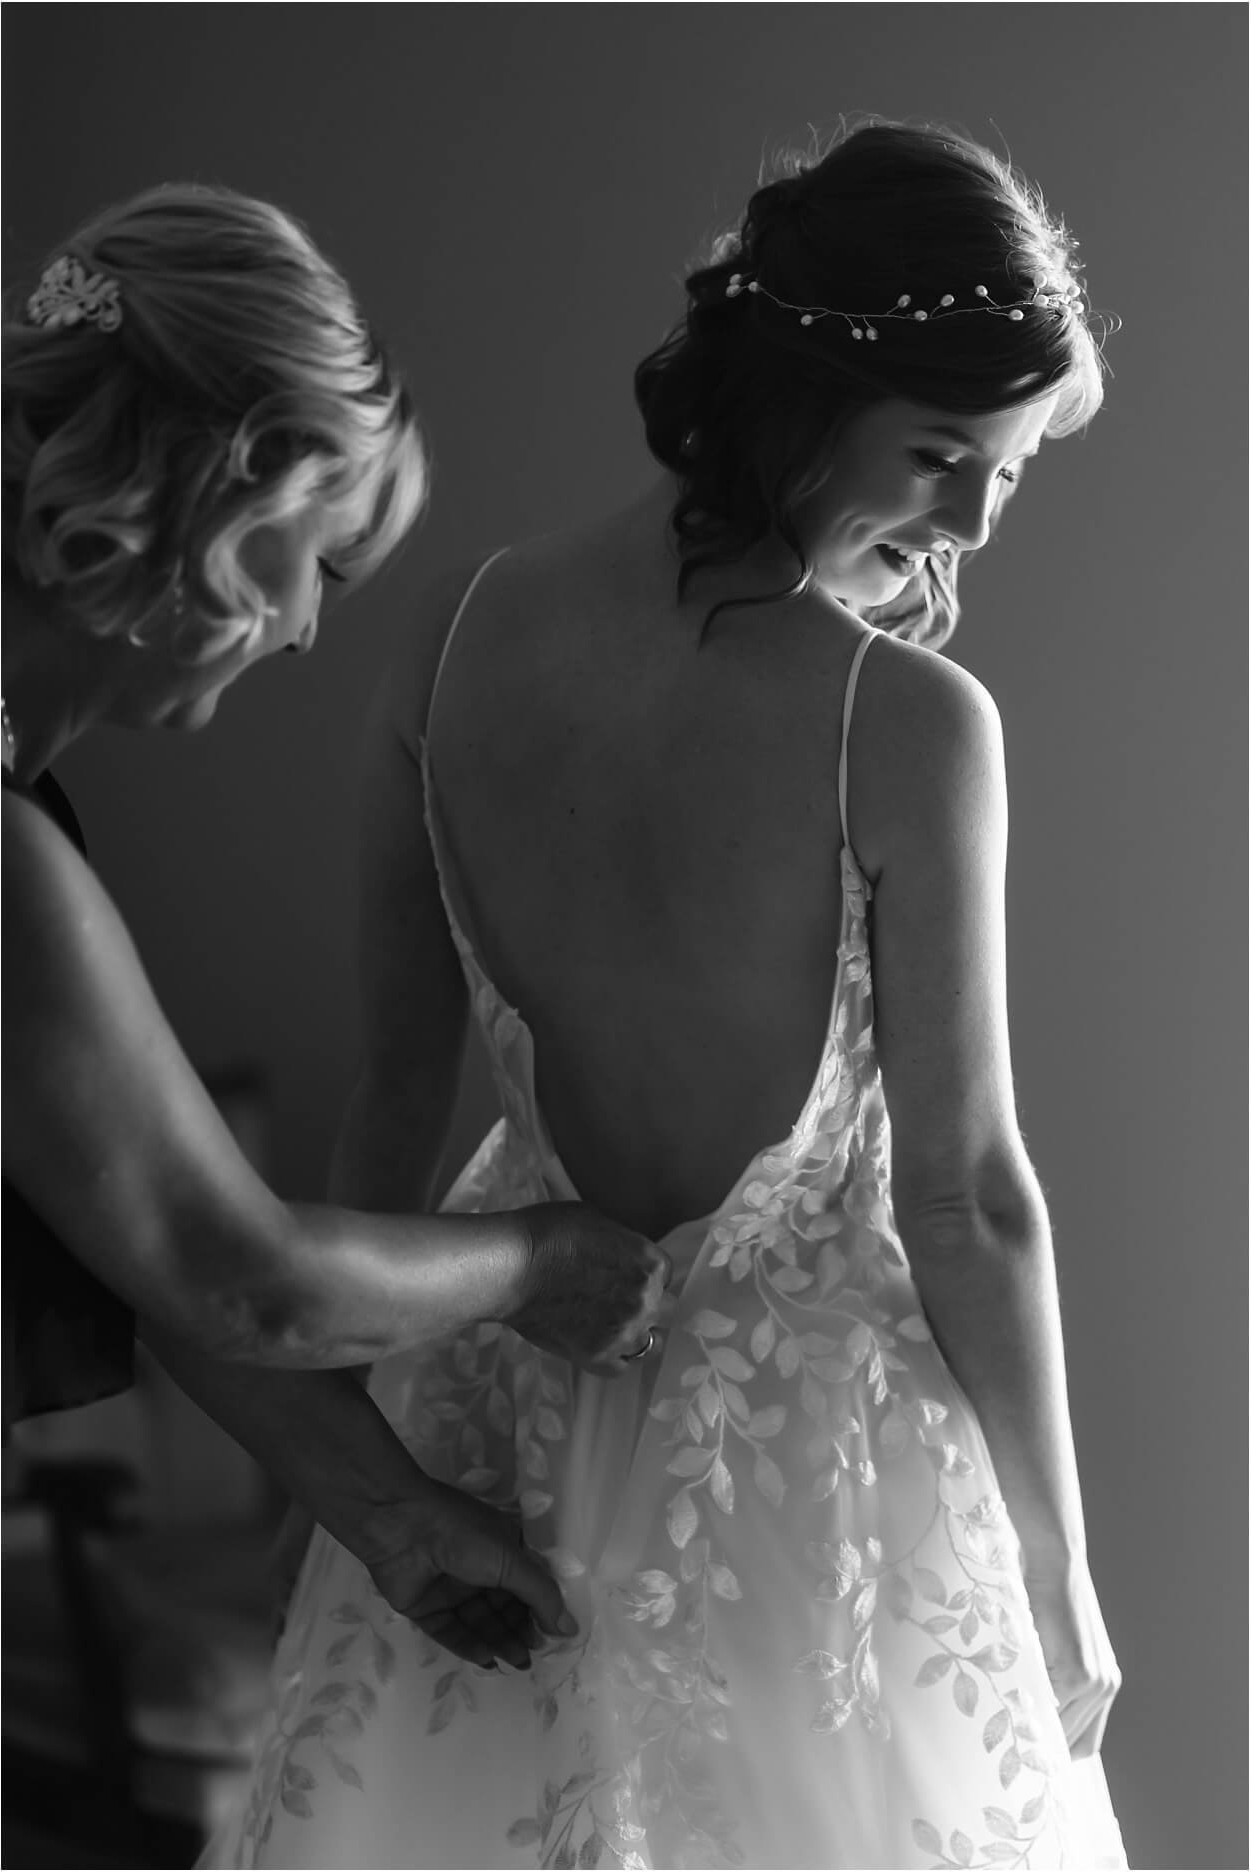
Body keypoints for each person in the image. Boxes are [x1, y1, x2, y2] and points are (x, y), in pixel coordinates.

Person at [209, 123, 1127, 1867]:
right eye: (944, 455)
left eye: (1009, 470)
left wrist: (333, 1469)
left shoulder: (458, 631)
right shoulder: (913, 724)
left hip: (497, 1397)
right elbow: (965, 1191)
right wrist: (1052, 1564)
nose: (979, 519)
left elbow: (393, 1096)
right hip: (810, 1456)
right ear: (799, 395)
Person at [2, 182, 671, 1672]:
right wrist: (536, 1258)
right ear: (229, 488)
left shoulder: (11, 799)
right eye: (324, 567)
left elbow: (130, 1241)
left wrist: (390, 1511)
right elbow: (241, 1273)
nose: (309, 631)